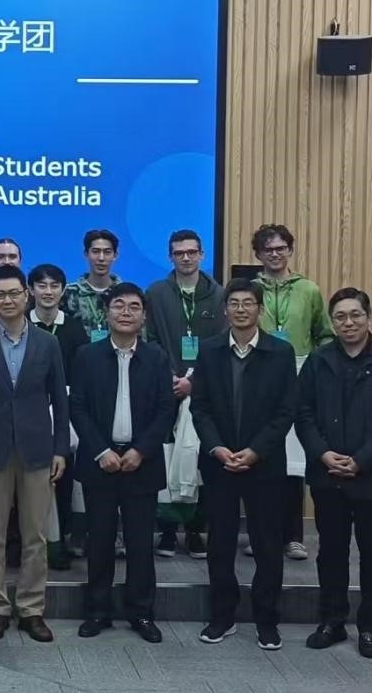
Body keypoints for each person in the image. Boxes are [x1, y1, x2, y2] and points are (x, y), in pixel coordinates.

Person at [297, 287, 372, 660]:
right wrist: (323, 453)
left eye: (355, 315)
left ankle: (370, 629)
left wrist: (360, 460)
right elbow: (303, 413)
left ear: (368, 317)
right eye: (340, 317)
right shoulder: (318, 361)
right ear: (332, 322)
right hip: (327, 474)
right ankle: (332, 621)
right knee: (331, 552)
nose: (348, 322)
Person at [0, 265, 68, 642]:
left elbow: (60, 402)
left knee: (36, 535)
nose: (7, 300)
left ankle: (32, 609)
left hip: (37, 451)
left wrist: (60, 449)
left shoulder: (47, 343)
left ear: (27, 295)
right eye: (0, 294)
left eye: (14, 293)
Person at [189, 279, 297, 650]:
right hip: (219, 463)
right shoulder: (209, 350)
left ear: (260, 309)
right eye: (233, 303)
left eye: (247, 303)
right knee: (220, 542)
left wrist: (255, 451)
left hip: (264, 464)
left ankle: (267, 619)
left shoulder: (280, 352)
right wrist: (217, 448)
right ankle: (222, 616)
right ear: (225, 310)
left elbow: (286, 411)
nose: (240, 309)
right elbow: (199, 407)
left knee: (267, 543)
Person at [71, 283, 176, 644]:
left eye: (134, 307)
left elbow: (166, 408)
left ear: (143, 316)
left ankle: (141, 612)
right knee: (99, 541)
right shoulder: (87, 355)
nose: (126, 312)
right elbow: (78, 407)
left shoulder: (157, 357)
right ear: (107, 313)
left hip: (141, 463)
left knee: (140, 543)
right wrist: (101, 451)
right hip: (100, 461)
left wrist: (141, 451)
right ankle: (97, 611)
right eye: (119, 305)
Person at [252, 223, 335, 562]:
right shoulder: (250, 290)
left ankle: (293, 537)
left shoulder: (309, 290)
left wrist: (315, 369)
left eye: (280, 248)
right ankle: (261, 533)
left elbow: (324, 334)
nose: (275, 254)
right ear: (258, 254)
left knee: (295, 462)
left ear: (290, 250)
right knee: (261, 456)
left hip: (300, 374)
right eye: (268, 249)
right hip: (259, 376)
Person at [145, 230, 227, 560]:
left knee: (200, 458)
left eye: (192, 252)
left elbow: (222, 344)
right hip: (165, 387)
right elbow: (149, 339)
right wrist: (169, 377)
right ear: (170, 257)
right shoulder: (156, 293)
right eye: (179, 253)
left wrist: (194, 381)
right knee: (166, 457)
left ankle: (195, 531)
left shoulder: (219, 295)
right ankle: (167, 531)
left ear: (202, 255)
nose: (186, 258)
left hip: (205, 391)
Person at [27, 263, 89, 568]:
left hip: (65, 410)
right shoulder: (22, 324)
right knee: (27, 478)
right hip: (27, 409)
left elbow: (83, 371)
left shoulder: (74, 328)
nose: (48, 292)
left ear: (63, 291)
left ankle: (60, 540)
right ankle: (27, 543)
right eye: (42, 285)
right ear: (31, 290)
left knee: (61, 476)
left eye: (54, 286)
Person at [63, 229, 122, 340]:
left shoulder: (125, 294)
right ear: (86, 254)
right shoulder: (69, 293)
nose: (101, 258)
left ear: (115, 255)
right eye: (95, 251)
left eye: (107, 252)